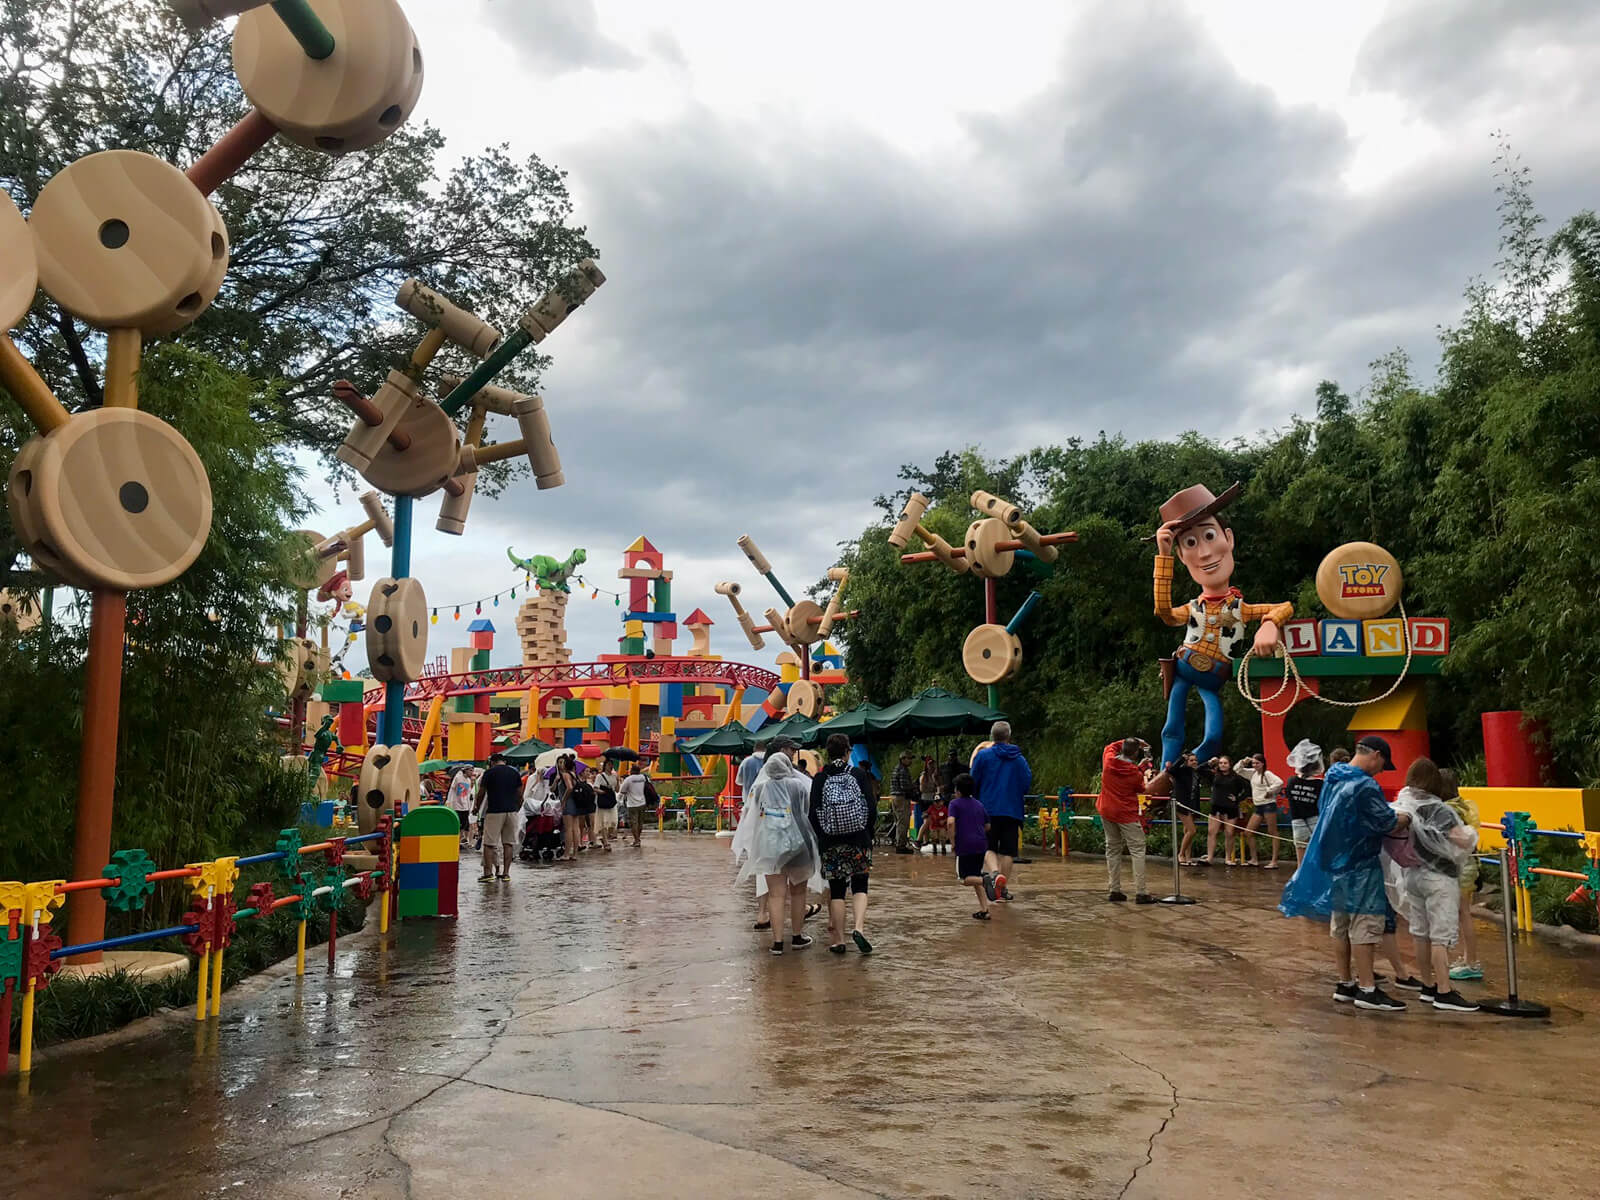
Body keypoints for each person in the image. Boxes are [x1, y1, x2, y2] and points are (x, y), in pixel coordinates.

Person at [1150, 483, 1293, 773]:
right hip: (1184, 669)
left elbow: (1285, 606)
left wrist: (1269, 625)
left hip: (1213, 678)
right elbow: (1164, 612)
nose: (1203, 553)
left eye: (1209, 535)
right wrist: (1163, 554)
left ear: (1228, 538)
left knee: (1214, 734)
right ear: (1182, 556)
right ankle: (1166, 771)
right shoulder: (1192, 607)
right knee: (1171, 727)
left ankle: (1185, 770)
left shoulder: (1241, 608)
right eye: (1190, 543)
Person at [1282, 735, 1413, 1012]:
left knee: (1340, 925)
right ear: (1375, 755)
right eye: (1383, 764)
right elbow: (1385, 821)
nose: (1380, 771)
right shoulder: (1365, 786)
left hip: (1336, 864)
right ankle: (1367, 988)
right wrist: (1405, 818)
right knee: (1366, 924)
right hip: (1361, 863)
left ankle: (1345, 983)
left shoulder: (1332, 777)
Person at [1394, 758, 1480, 1012]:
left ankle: (1428, 986)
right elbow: (1462, 841)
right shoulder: (1439, 809)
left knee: (1420, 933)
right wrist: (1471, 835)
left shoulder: (1404, 805)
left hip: (1413, 875)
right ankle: (1444, 991)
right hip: (1439, 878)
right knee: (1440, 937)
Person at [734, 738, 822, 955]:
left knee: (776, 895)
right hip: (799, 845)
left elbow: (753, 817)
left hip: (770, 846)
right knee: (799, 892)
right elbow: (804, 812)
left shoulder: (761, 788)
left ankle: (777, 942)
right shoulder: (798, 786)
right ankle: (797, 937)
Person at [810, 733, 876, 954]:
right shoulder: (858, 774)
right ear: (848, 752)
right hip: (859, 839)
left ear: (828, 753)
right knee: (860, 885)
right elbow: (871, 807)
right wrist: (868, 834)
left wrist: (823, 838)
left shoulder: (820, 778)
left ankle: (839, 940)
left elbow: (812, 814)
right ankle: (859, 928)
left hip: (831, 842)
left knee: (837, 891)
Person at [971, 721, 1032, 902]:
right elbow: (1026, 783)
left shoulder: (982, 757)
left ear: (992, 737)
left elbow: (974, 780)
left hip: (987, 809)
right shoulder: (1019, 759)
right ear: (1009, 737)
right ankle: (1002, 889)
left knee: (988, 847)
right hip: (1012, 810)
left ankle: (995, 873)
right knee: (1008, 851)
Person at [1436, 769, 1482, 981]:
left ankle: (1471, 962)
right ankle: (1468, 958)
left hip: (1457, 867)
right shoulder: (1466, 806)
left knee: (1462, 915)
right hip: (1469, 865)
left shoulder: (1446, 811)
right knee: (1464, 914)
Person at [1097, 738, 1155, 903]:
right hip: (1125, 814)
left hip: (1107, 810)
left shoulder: (1108, 761)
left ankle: (1114, 889)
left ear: (1122, 749)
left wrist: (1134, 741)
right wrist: (1143, 769)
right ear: (1136, 753)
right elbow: (1142, 788)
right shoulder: (1133, 772)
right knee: (1137, 850)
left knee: (1112, 848)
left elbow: (1109, 746)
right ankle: (1141, 892)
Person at [471, 752, 523, 882]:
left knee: (489, 844)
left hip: (495, 811)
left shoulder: (489, 773)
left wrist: (476, 808)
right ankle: (506, 874)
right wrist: (517, 807)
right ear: (504, 761)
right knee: (508, 843)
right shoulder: (515, 773)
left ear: (493, 762)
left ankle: (488, 874)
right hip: (511, 811)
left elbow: (481, 793)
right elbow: (520, 794)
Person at [948, 773, 991, 920]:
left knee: (964, 879)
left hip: (965, 845)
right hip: (980, 844)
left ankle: (986, 880)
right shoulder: (979, 804)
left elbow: (950, 823)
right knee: (975, 876)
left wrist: (953, 842)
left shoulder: (955, 804)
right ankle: (984, 910)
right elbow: (988, 825)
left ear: (958, 791)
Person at [1200, 756, 1251, 865]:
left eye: (1225, 763)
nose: (1223, 765)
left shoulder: (1236, 777)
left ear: (1230, 764)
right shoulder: (1214, 775)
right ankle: (1209, 857)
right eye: (1221, 763)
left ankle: (1228, 858)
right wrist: (1209, 762)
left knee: (1229, 833)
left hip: (1230, 808)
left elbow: (1247, 788)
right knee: (1211, 832)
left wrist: (1238, 798)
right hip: (1216, 807)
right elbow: (1199, 770)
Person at [1237, 754, 1285, 869]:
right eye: (1253, 763)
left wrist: (1270, 791)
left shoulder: (1267, 774)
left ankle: (1274, 861)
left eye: (1257, 763)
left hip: (1268, 805)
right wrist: (1244, 761)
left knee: (1272, 831)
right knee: (1248, 832)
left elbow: (1279, 782)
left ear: (1263, 763)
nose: (1255, 765)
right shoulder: (1252, 773)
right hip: (1258, 806)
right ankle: (1254, 859)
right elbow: (1237, 770)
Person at [1283, 740, 1325, 863]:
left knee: (1300, 861)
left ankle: (1300, 881)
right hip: (1315, 821)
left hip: (1297, 822)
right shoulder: (1320, 784)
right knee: (1318, 858)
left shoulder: (1291, 781)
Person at [1167, 752, 1200, 865]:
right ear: (1186, 762)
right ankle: (1180, 854)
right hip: (1180, 803)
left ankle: (1188, 857)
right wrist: (1181, 758)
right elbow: (1171, 770)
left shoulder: (1195, 773)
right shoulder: (1181, 771)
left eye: (1195, 760)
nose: (1194, 762)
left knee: (1187, 831)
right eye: (1191, 760)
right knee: (1192, 830)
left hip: (1191, 804)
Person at [890, 752, 916, 854]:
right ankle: (901, 845)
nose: (910, 761)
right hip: (901, 798)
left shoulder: (897, 768)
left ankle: (899, 843)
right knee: (903, 822)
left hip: (895, 797)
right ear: (903, 759)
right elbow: (905, 787)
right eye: (909, 758)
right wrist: (913, 788)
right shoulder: (903, 770)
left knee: (899, 822)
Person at [619, 761, 649, 847]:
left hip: (632, 804)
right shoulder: (643, 777)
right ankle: (638, 838)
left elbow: (622, 791)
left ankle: (636, 840)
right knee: (640, 822)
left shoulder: (629, 779)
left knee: (633, 823)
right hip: (642, 802)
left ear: (632, 771)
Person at [593, 761, 620, 851]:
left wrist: (618, 780)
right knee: (603, 822)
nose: (611, 766)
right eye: (609, 764)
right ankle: (606, 841)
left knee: (613, 822)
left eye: (612, 764)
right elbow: (595, 788)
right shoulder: (600, 776)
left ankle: (605, 839)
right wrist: (603, 792)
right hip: (603, 802)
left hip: (611, 801)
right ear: (605, 766)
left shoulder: (614, 776)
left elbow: (617, 790)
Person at [447, 765, 476, 847]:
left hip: (465, 805)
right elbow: (457, 792)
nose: (472, 772)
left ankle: (463, 838)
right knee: (459, 824)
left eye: (472, 770)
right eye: (470, 770)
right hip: (457, 805)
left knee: (465, 823)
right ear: (465, 770)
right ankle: (458, 839)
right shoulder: (459, 778)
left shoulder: (468, 780)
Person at [916, 755, 938, 844]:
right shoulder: (924, 776)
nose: (932, 766)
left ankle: (925, 840)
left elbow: (938, 785)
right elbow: (922, 789)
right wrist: (932, 788)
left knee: (928, 822)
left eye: (933, 764)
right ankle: (918, 839)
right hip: (925, 801)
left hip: (932, 800)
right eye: (930, 764)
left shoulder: (934, 775)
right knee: (927, 821)